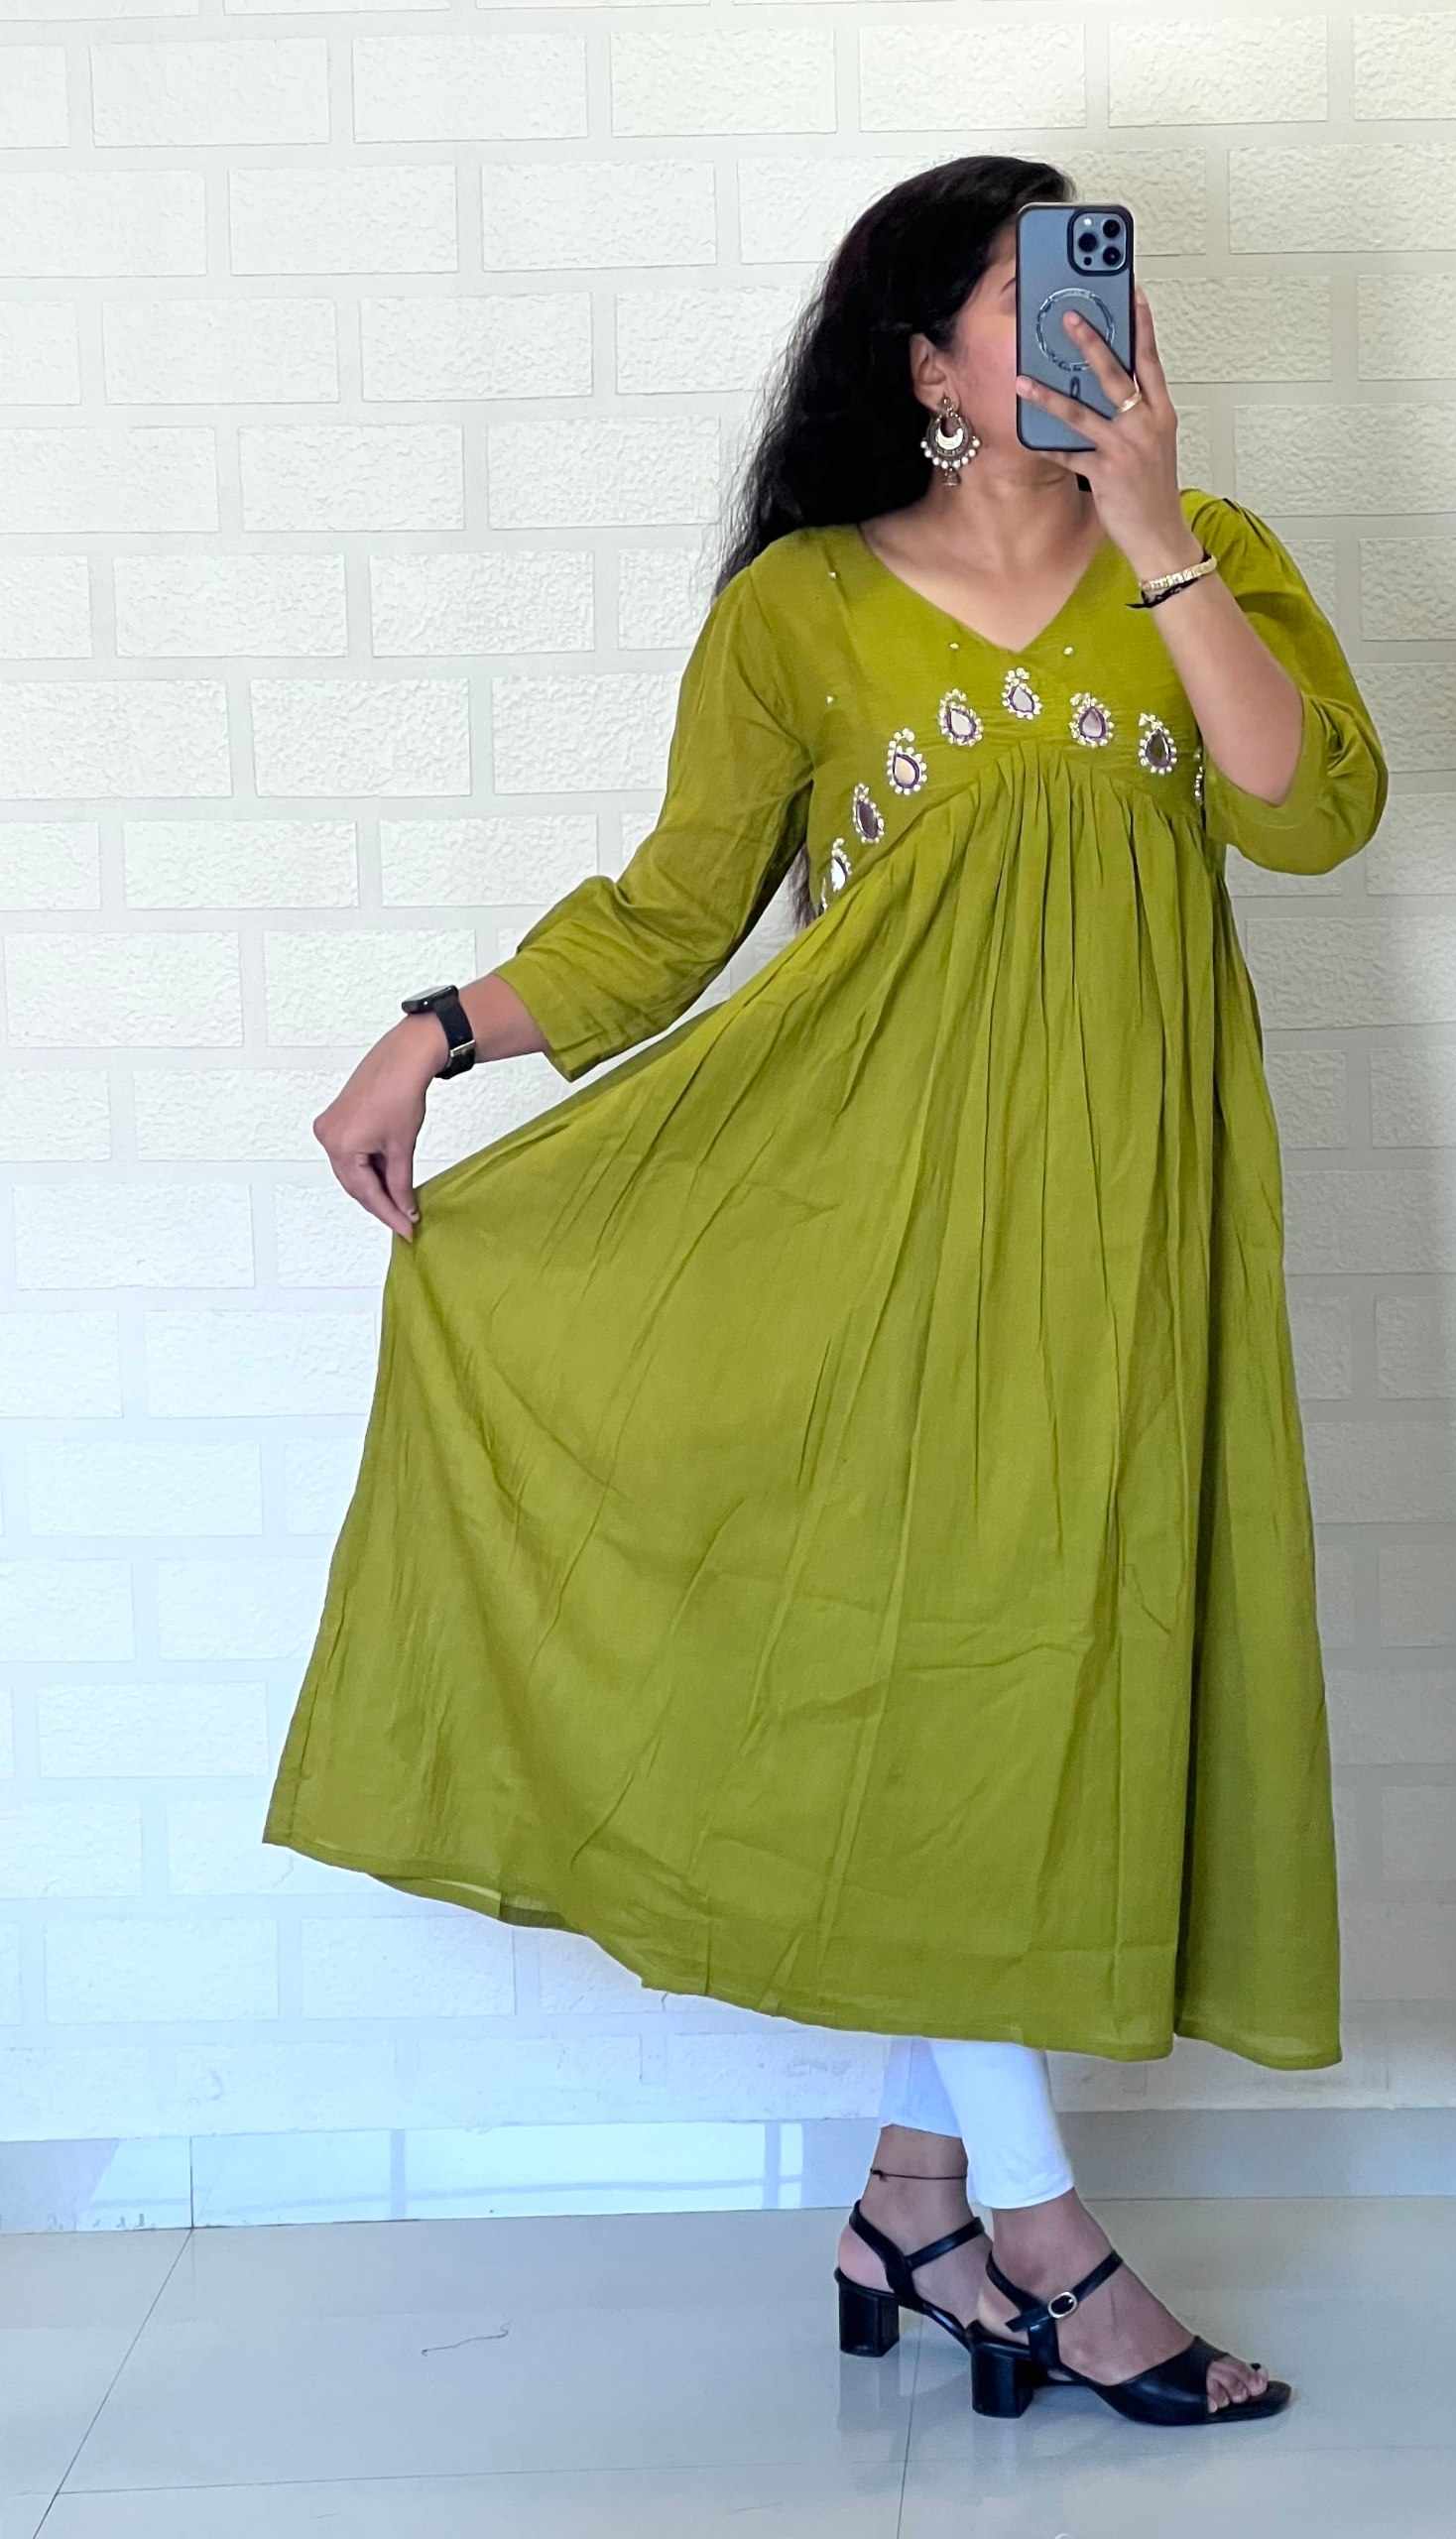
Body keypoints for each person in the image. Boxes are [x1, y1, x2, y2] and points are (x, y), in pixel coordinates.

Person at [264, 156, 1388, 2428]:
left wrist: (1159, 528)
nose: (1087, 333)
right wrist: (438, 1027)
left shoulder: (1210, 555)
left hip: (1132, 1228)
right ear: (929, 362)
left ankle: (908, 2200)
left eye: (1104, 293)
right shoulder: (803, 607)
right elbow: (674, 915)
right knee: (962, 1709)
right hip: (877, 1233)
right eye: (1030, 302)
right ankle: (1042, 2238)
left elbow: (1308, 808)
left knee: (1031, 1698)